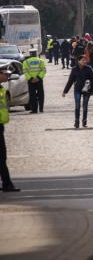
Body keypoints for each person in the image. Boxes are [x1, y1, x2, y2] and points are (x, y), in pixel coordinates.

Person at [0, 63, 19, 192]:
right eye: (6, 74)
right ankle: (7, 184)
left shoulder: (1, 88)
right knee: (1, 156)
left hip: (0, 126)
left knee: (2, 157)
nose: (8, 76)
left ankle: (7, 184)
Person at [62, 56, 93, 128]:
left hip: (87, 90)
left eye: (85, 60)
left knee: (85, 106)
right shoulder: (74, 69)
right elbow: (70, 81)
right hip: (77, 89)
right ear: (78, 61)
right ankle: (77, 121)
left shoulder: (89, 68)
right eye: (82, 60)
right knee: (77, 106)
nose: (84, 61)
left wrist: (92, 88)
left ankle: (84, 121)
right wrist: (65, 91)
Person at [23, 48, 47, 114]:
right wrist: (38, 77)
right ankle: (41, 109)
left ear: (30, 54)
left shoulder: (26, 62)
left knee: (32, 95)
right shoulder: (41, 61)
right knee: (41, 95)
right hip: (39, 80)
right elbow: (44, 70)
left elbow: (25, 71)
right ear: (36, 53)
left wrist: (31, 79)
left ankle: (34, 110)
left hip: (31, 81)